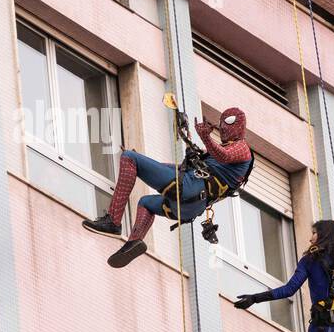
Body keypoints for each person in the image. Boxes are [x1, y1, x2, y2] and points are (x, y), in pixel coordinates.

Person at [82, 107, 252, 269]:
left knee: (128, 157)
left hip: (190, 189)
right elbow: (177, 169)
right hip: (190, 206)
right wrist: (144, 164)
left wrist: (206, 138)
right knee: (146, 202)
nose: (222, 127)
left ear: (238, 126)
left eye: (227, 123)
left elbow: (224, 155)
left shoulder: (242, 149)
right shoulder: (216, 158)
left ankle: (113, 221)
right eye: (221, 123)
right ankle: (135, 241)